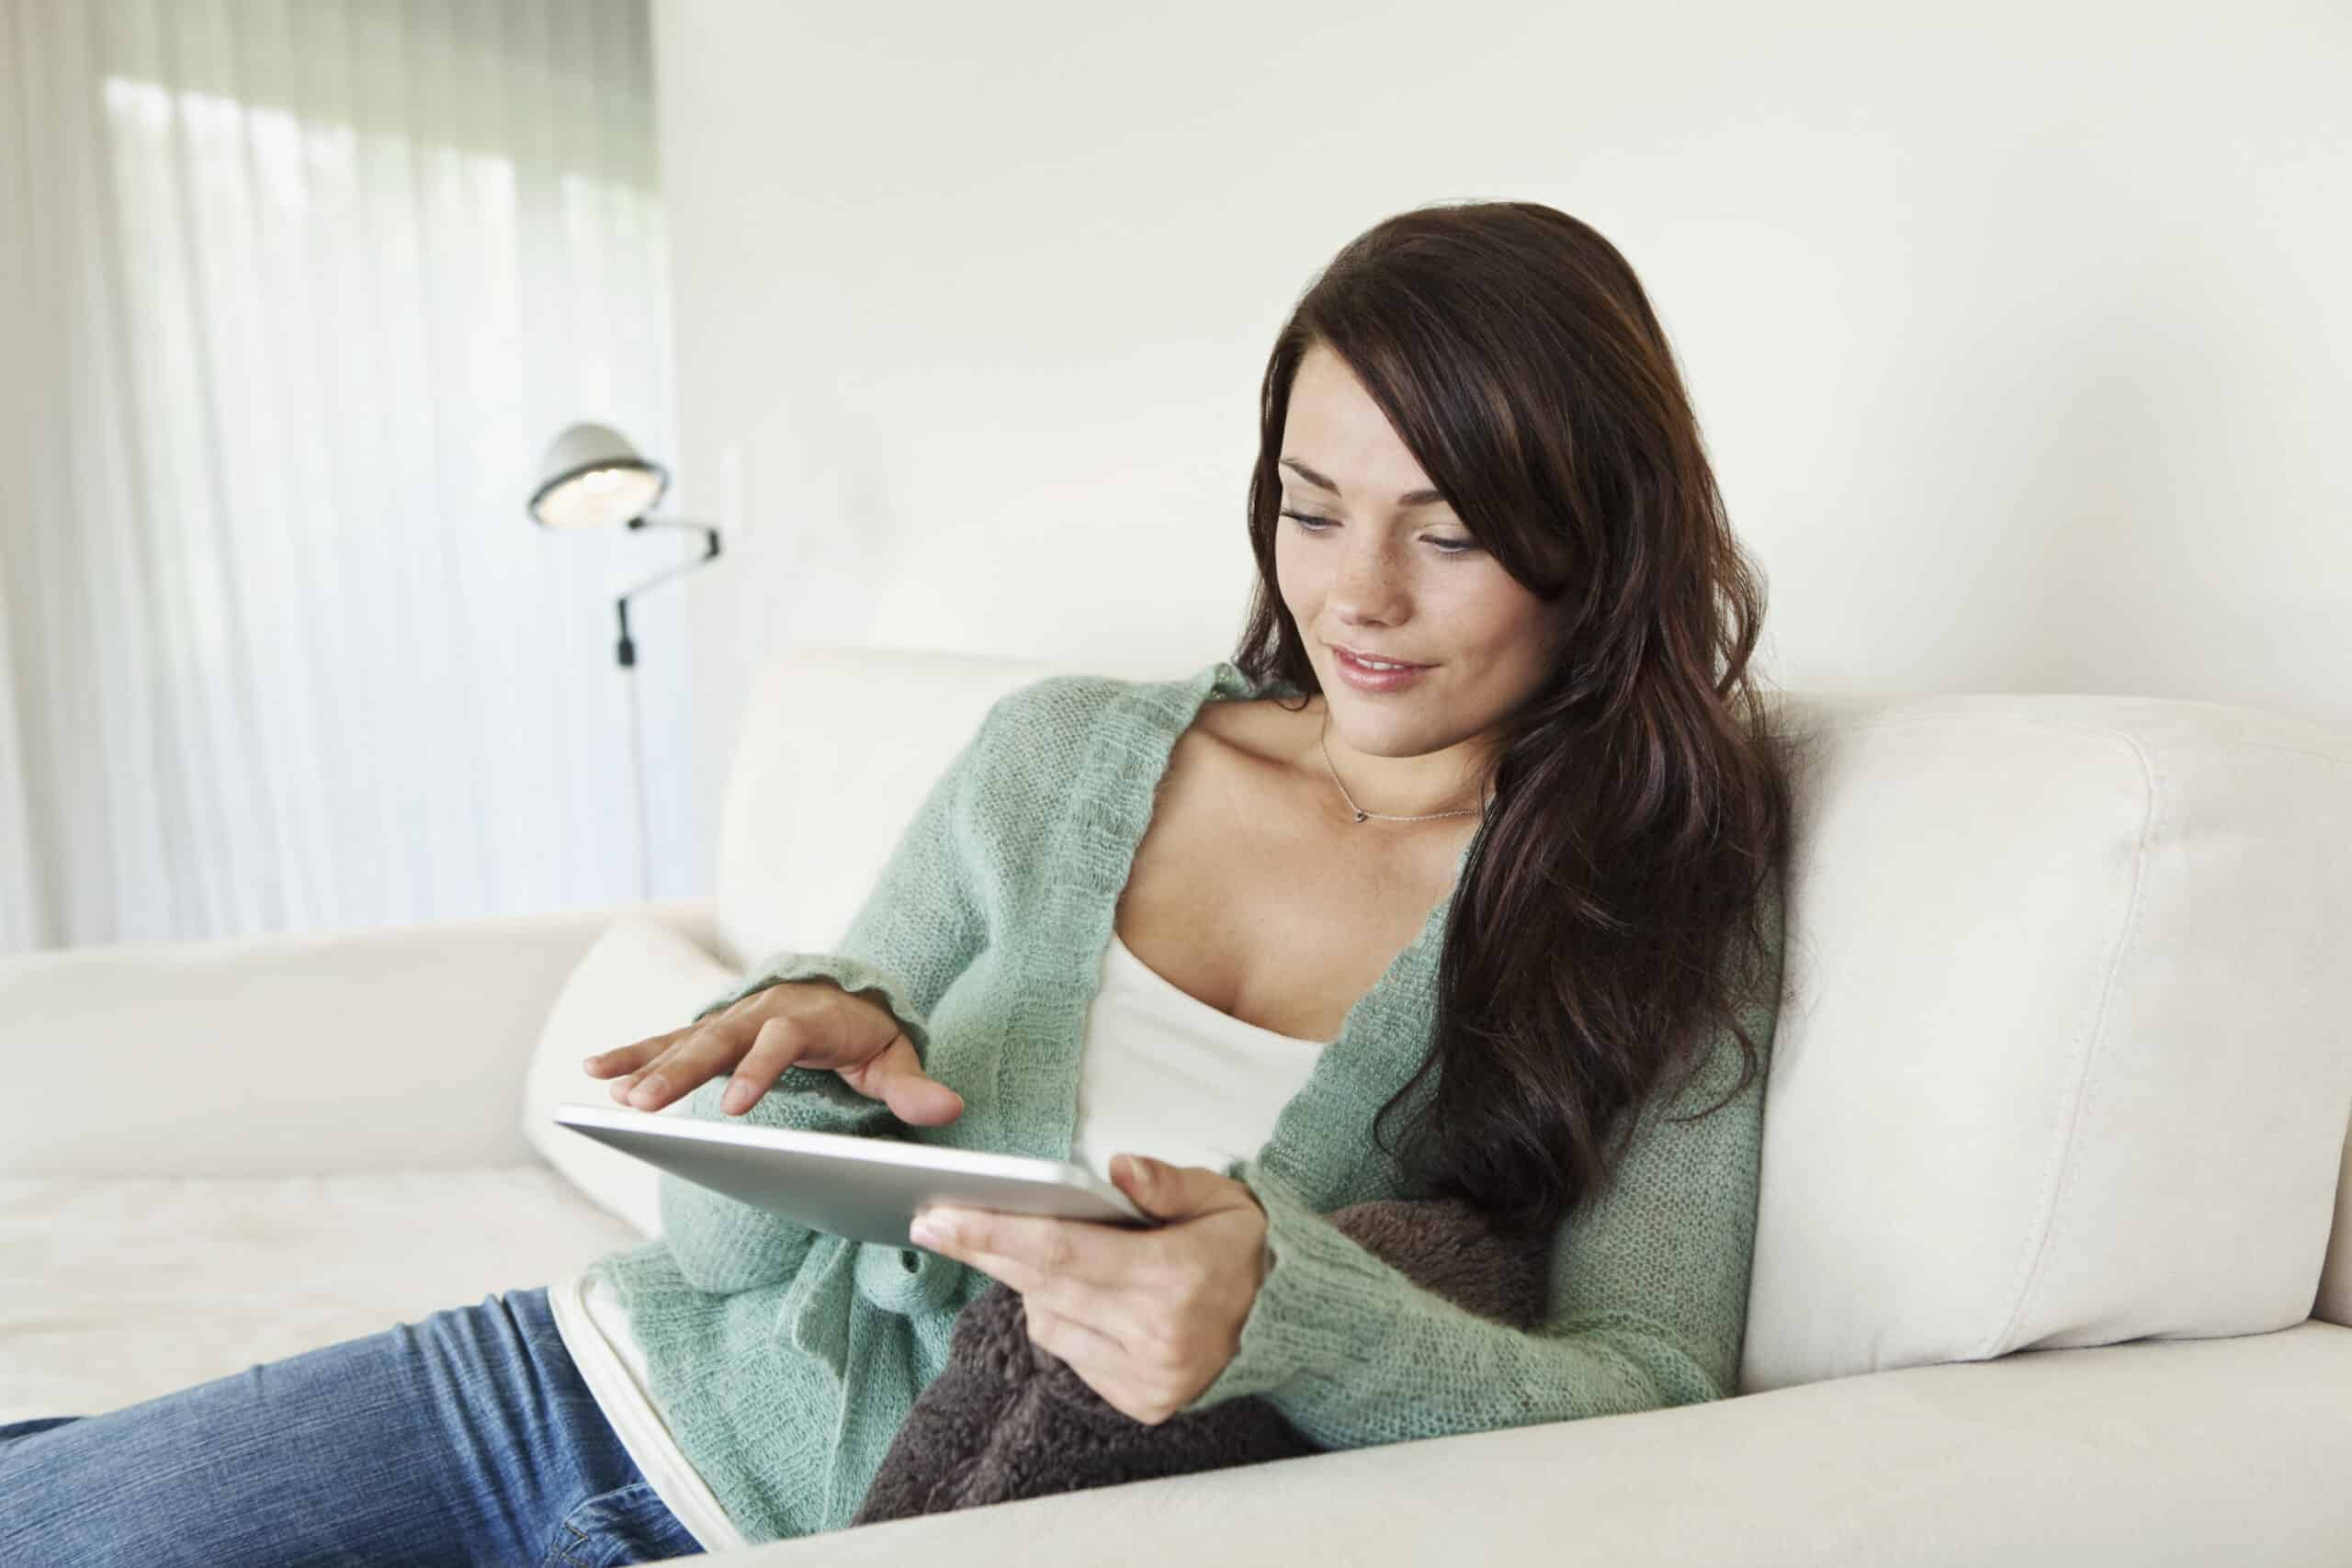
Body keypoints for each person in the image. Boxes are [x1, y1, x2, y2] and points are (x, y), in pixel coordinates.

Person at [0, 198, 1792, 1566]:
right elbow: (713, 1250)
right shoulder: (1057, 758)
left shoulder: (1646, 896)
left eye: (1450, 531)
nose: (1354, 595)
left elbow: (1652, 1385)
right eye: (1309, 505)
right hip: (576, 1393)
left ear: (1594, 538)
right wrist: (795, 1065)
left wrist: (1284, 1311)